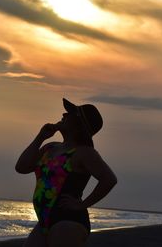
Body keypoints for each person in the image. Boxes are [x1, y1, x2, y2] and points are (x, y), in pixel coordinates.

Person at [15, 98, 117, 247]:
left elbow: (109, 179)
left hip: (69, 220)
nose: (64, 114)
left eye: (70, 113)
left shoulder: (84, 153)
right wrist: (40, 137)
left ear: (79, 124)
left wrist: (83, 205)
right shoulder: (50, 147)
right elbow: (22, 167)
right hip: (45, 220)